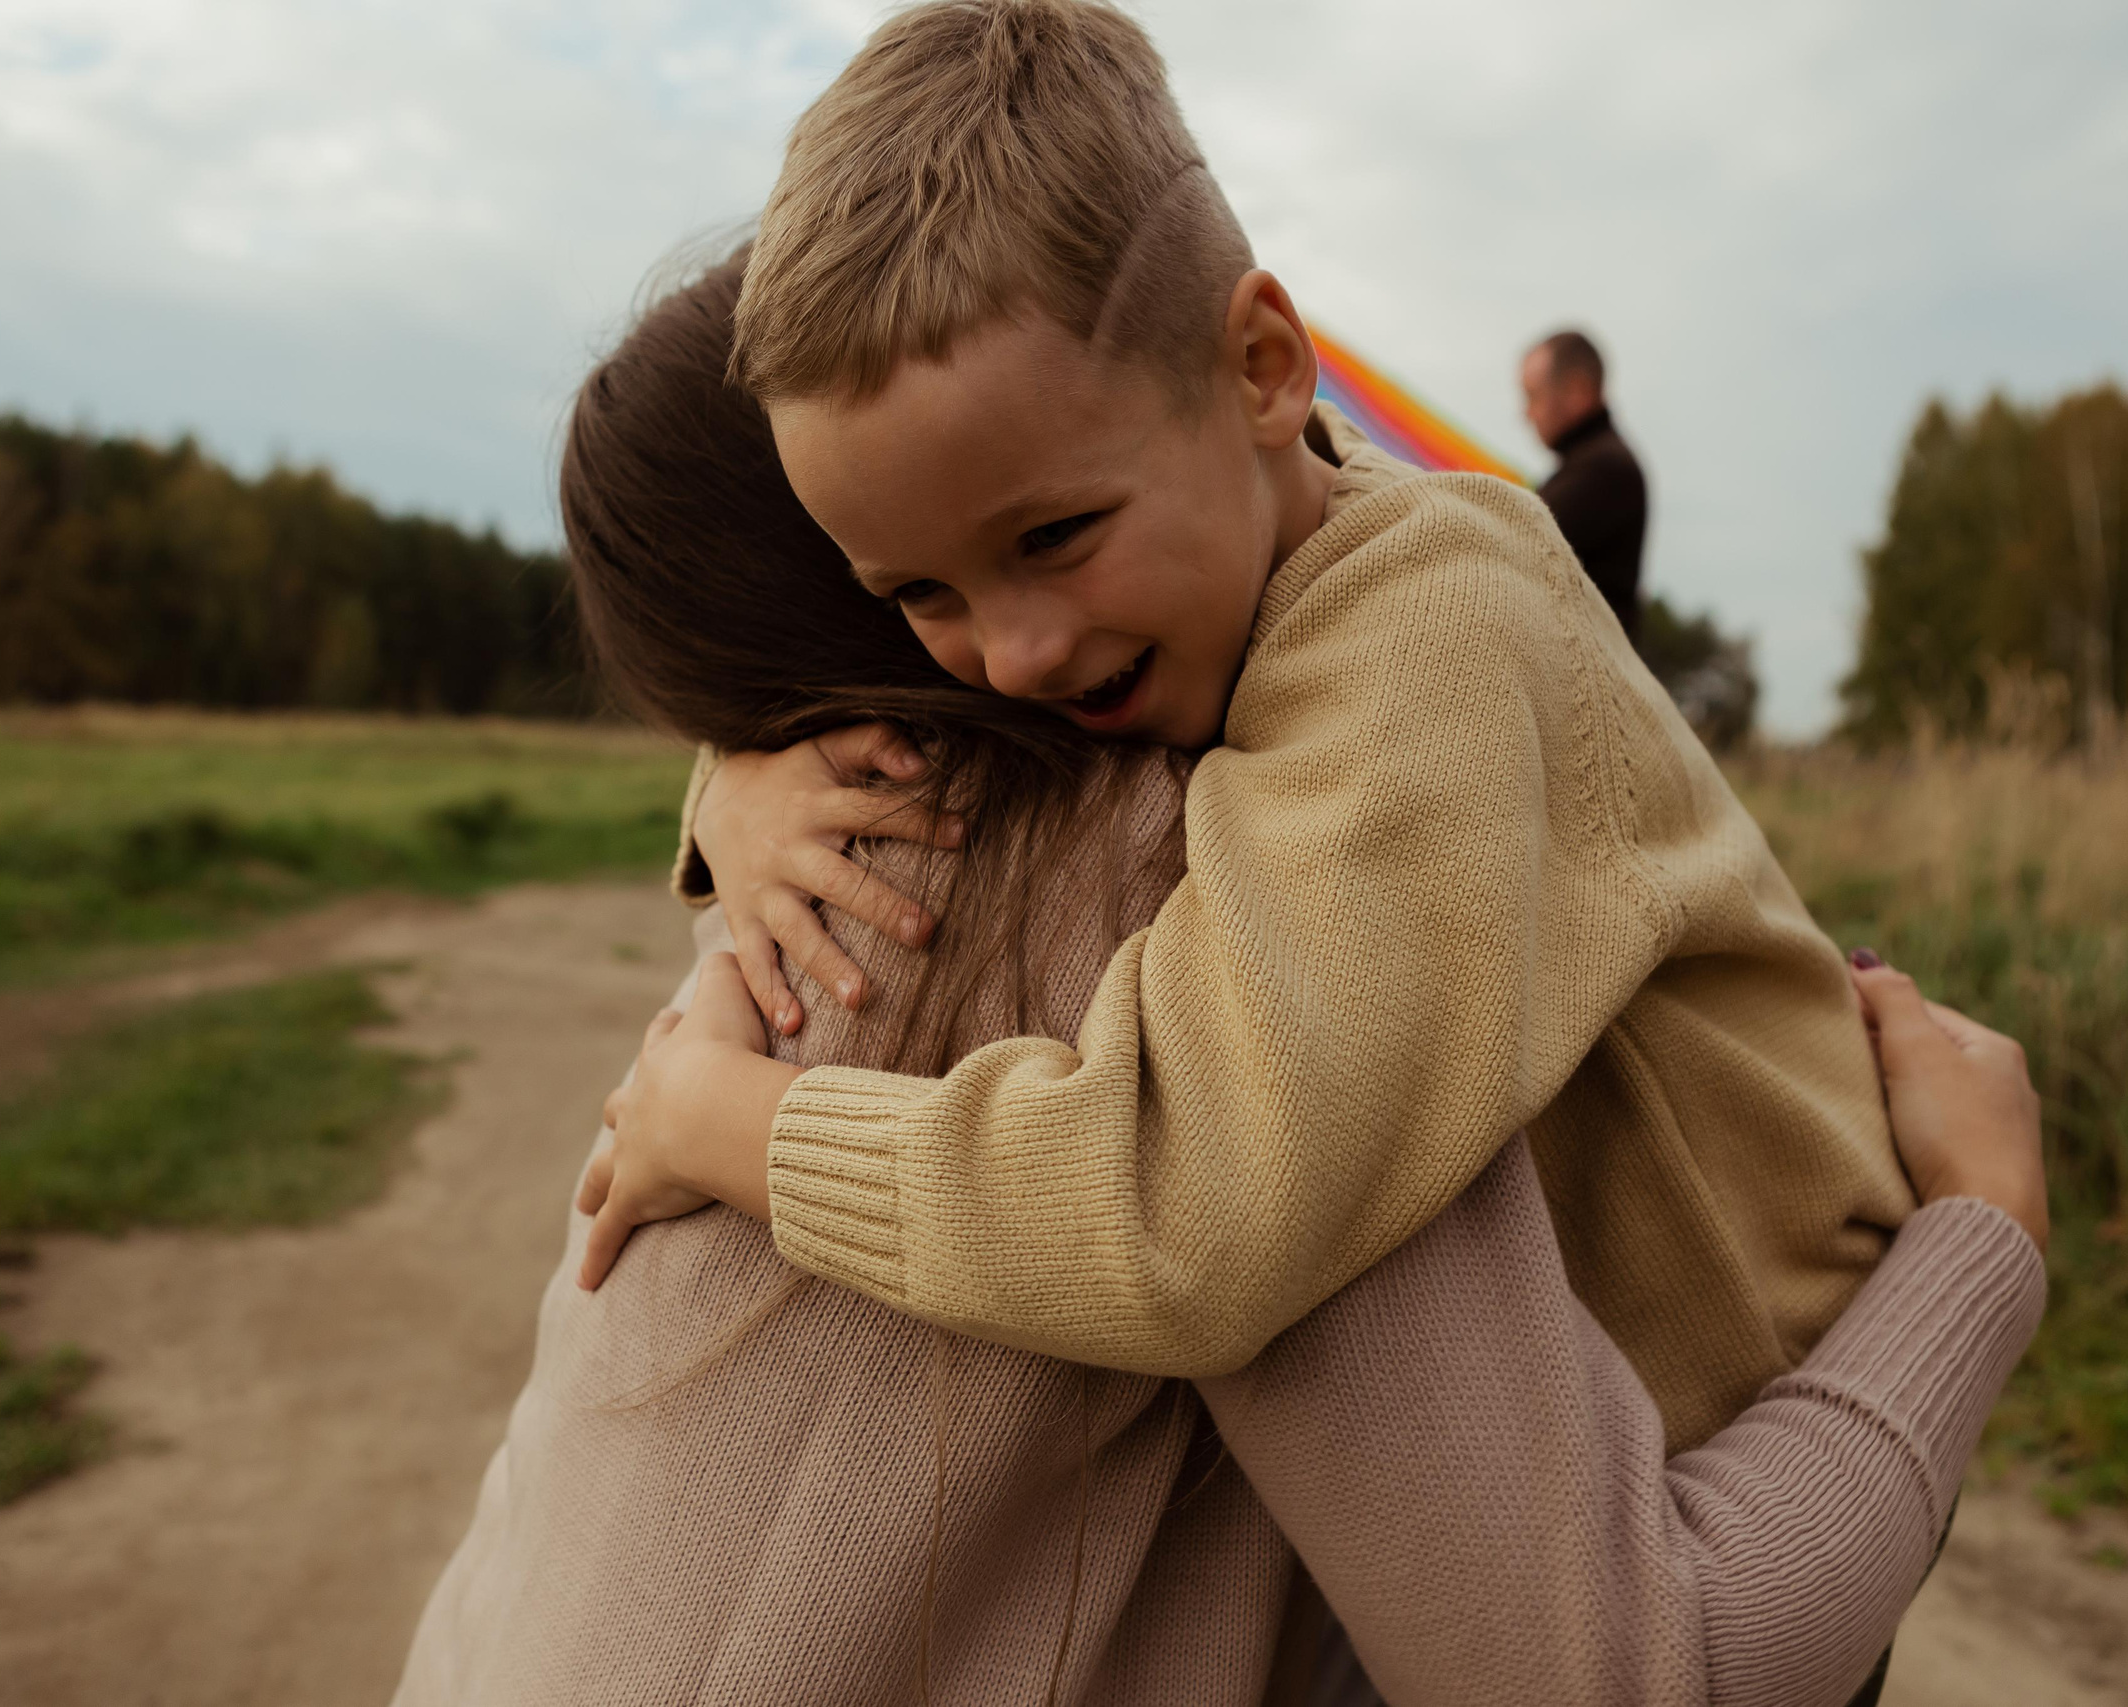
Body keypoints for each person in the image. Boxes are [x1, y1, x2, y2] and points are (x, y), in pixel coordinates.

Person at [394, 250, 2048, 1705]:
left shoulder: (792, 884)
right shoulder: (1214, 931)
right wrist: (1979, 1236)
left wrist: (722, 784)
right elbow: (1625, 1678)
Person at [583, 0, 1906, 1460]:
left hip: (1775, 1423)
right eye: (917, 591)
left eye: (1058, 533)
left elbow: (1186, 1208)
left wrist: (724, 1118)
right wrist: (737, 784)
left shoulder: (1431, 633)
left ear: (1269, 368)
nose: (1011, 655)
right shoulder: (1193, 581)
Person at [1522, 328, 1649, 639]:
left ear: (1577, 390)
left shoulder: (1605, 469)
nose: (1526, 414)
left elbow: (1517, 541)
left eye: (1533, 396)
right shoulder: (1595, 462)